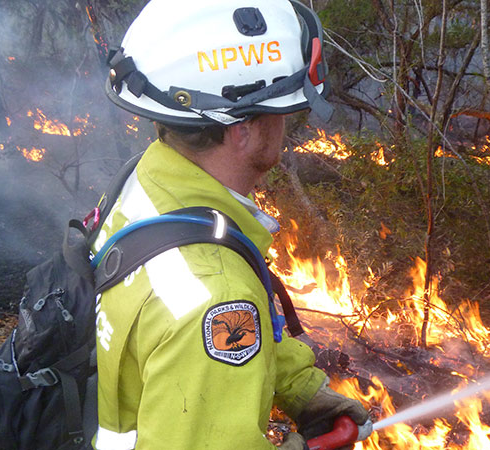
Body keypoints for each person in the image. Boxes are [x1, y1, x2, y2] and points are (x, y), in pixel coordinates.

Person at [93, 0, 368, 449]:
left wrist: (302, 389)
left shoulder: (148, 179)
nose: (287, 125)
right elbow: (208, 319)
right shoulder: (216, 297)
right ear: (240, 129)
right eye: (281, 111)